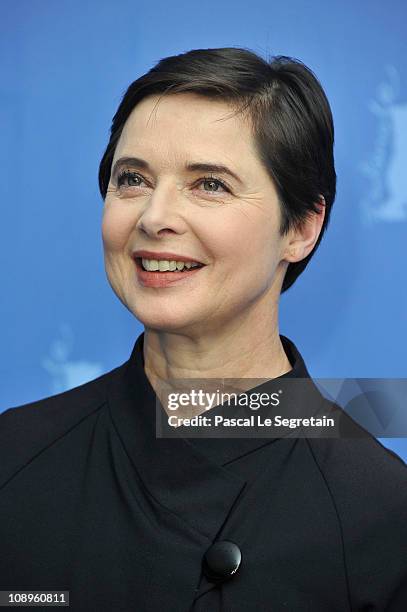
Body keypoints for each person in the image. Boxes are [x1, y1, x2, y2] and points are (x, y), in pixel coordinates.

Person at [1, 47, 406, 611]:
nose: (154, 216)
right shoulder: (16, 455)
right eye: (133, 179)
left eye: (209, 184)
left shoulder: (380, 513)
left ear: (301, 227)